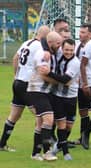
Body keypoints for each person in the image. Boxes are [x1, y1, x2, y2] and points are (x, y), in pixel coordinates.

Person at [0, 25, 50, 154]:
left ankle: (2, 144)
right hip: (28, 85)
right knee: (43, 115)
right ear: (45, 36)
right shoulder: (40, 47)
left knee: (14, 115)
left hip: (18, 82)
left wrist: (16, 75)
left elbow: (15, 58)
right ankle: (47, 145)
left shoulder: (27, 42)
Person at [40, 39, 80, 160]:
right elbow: (43, 39)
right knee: (61, 125)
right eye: (66, 50)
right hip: (58, 96)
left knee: (69, 126)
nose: (68, 52)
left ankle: (58, 145)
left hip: (72, 97)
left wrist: (49, 73)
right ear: (62, 48)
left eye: (71, 50)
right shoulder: (58, 54)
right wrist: (46, 50)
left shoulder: (75, 62)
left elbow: (65, 80)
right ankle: (66, 152)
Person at [27, 31, 62, 161]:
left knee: (40, 122)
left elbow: (44, 38)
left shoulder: (51, 51)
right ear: (50, 43)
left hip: (46, 91)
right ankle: (47, 152)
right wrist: (60, 81)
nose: (60, 46)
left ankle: (35, 154)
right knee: (49, 119)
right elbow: (43, 76)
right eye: (58, 43)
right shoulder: (43, 55)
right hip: (37, 90)